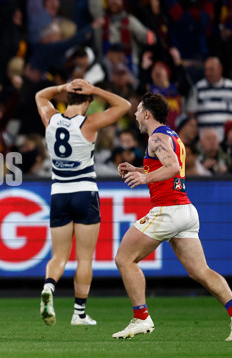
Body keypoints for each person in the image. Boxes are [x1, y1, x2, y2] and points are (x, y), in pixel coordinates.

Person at [113, 92, 232, 341]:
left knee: (124, 258)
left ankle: (141, 317)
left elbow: (172, 167)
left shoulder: (155, 137)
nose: (134, 114)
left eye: (138, 110)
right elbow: (166, 163)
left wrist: (144, 177)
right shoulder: (171, 135)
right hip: (185, 210)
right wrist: (138, 169)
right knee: (201, 271)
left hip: (168, 210)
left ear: (147, 114)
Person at [35, 79, 131, 326]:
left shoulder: (51, 118)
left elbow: (40, 96)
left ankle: (49, 288)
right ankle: (78, 313)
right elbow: (124, 105)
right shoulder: (89, 123)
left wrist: (61, 87)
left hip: (58, 193)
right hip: (84, 192)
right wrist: (96, 90)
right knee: (85, 257)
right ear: (87, 101)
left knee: (58, 256)